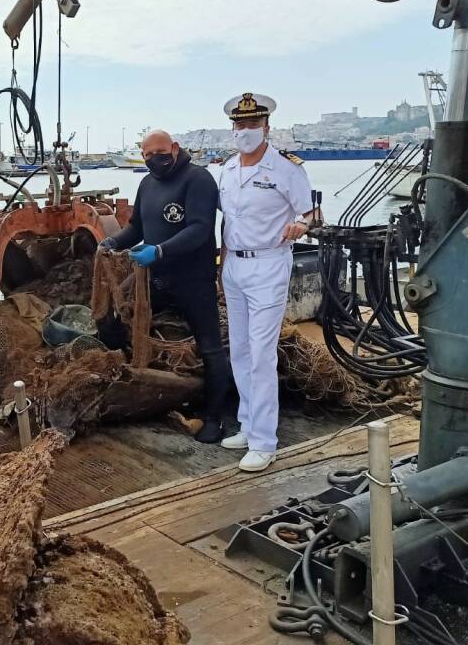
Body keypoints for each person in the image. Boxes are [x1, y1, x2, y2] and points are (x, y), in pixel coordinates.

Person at [98, 129, 231, 444]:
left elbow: (199, 228)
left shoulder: (198, 179)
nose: (153, 160)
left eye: (159, 152)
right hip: (154, 279)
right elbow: (137, 227)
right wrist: (113, 241)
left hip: (193, 280)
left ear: (174, 148)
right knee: (114, 321)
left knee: (210, 347)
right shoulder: (147, 183)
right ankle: (129, 390)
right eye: (146, 155)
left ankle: (216, 418)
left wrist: (160, 250)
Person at [218, 93, 315, 472]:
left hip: (269, 266)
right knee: (240, 350)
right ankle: (248, 423)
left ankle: (264, 441)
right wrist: (221, 265)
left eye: (252, 125)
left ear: (266, 128)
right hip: (234, 267)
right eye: (239, 126)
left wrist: (302, 225)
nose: (244, 132)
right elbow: (227, 222)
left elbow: (310, 212)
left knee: (261, 354)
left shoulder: (287, 170)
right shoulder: (226, 169)